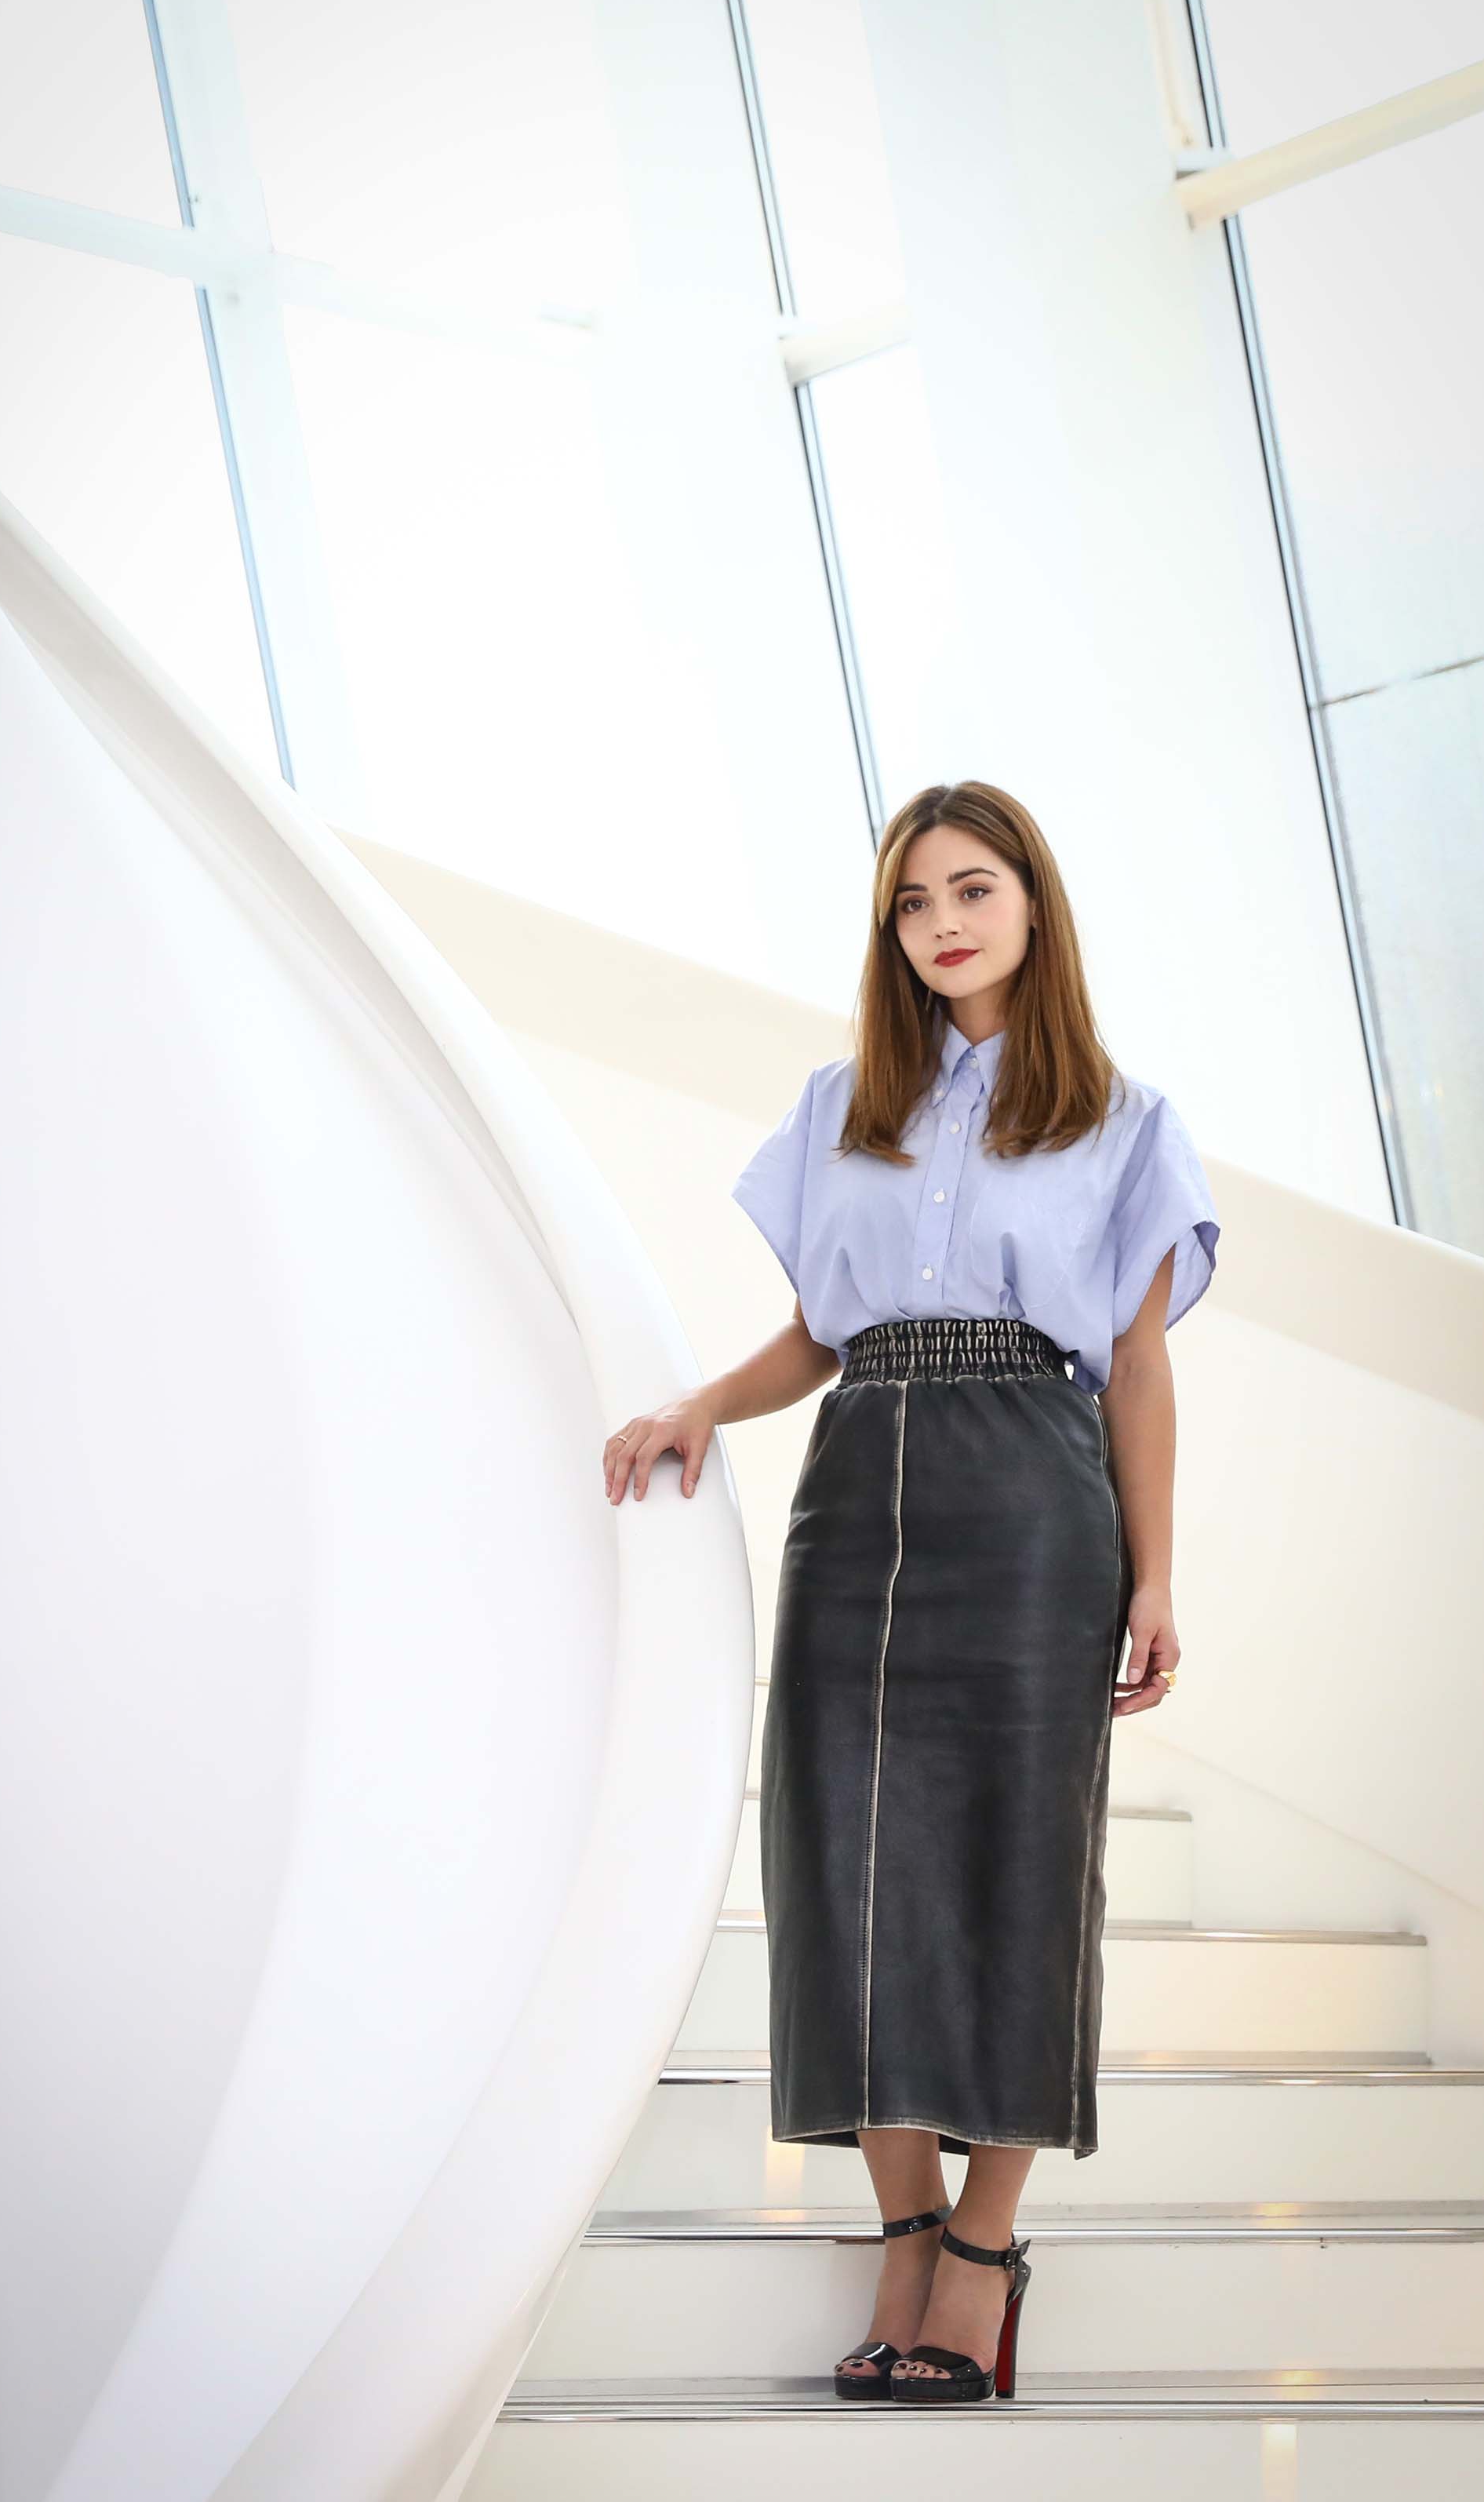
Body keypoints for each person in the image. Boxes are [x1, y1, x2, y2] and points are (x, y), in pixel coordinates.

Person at [600, 779, 1220, 2405]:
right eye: (910, 903)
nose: (940, 924)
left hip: (1030, 1489)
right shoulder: (839, 1101)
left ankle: (983, 2249)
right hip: (858, 1480)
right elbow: (819, 1328)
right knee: (840, 1861)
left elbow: (1136, 1368)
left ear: (1030, 902)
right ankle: (899, 2221)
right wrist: (695, 1405)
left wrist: (1152, 1574)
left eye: (970, 890)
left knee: (1018, 1862)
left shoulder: (1123, 1118)